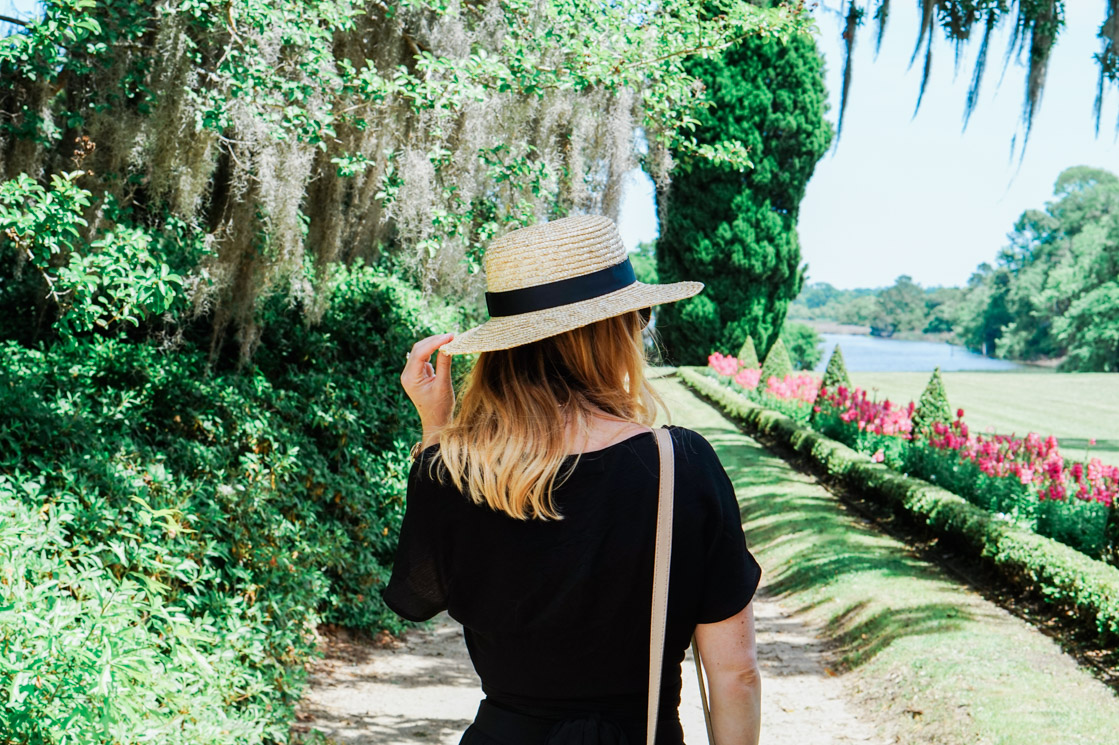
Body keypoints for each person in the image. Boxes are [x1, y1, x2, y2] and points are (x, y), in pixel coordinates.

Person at [384, 215, 763, 745]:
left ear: (504, 347)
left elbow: (422, 591)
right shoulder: (680, 465)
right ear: (612, 334)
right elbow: (735, 673)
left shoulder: (452, 469)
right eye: (639, 317)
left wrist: (436, 428)